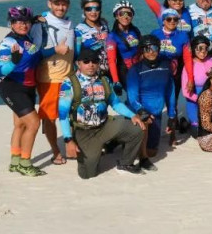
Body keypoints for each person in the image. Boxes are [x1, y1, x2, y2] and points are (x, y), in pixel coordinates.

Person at [58, 49, 147, 178]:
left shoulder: (104, 80)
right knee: (87, 174)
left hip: (104, 125)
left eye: (94, 61)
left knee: (137, 128)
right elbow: (63, 114)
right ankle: (96, 150)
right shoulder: (69, 83)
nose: (91, 65)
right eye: (86, 61)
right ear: (78, 64)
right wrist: (68, 140)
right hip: (84, 131)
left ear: (98, 63)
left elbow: (115, 103)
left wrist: (132, 115)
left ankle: (125, 163)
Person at [0, 6, 58, 176]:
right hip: (11, 87)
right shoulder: (8, 43)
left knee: (20, 124)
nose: (23, 25)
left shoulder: (27, 39)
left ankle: (15, 161)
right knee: (33, 123)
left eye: (26, 22)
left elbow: (39, 54)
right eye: (19, 22)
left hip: (28, 88)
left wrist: (56, 50)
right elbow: (0, 70)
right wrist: (13, 62)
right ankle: (25, 163)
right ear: (11, 23)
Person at [34, 0, 75, 165]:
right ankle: (56, 151)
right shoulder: (40, 25)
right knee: (50, 117)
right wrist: (55, 50)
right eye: (57, 3)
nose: (60, 7)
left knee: (70, 114)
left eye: (63, 4)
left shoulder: (70, 24)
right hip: (49, 78)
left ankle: (72, 144)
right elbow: (34, 54)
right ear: (49, 4)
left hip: (69, 77)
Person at [126, 36, 176, 171]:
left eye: (154, 48)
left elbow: (170, 91)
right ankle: (140, 156)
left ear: (159, 49)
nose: (151, 52)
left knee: (152, 152)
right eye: (146, 49)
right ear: (141, 51)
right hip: (139, 111)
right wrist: (143, 112)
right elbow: (132, 97)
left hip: (157, 113)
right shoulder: (135, 70)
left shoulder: (165, 66)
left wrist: (171, 115)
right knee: (144, 131)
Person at [150, 8, 194, 109]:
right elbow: (146, 54)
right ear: (163, 21)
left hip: (175, 73)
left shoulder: (183, 36)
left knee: (173, 100)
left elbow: (187, 59)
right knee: (156, 101)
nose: (172, 21)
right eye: (169, 19)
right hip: (157, 72)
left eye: (175, 19)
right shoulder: (155, 33)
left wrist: (190, 78)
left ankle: (172, 122)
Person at [181, 35, 212, 132]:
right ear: (193, 49)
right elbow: (186, 92)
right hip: (194, 100)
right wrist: (200, 99)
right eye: (199, 48)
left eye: (206, 48)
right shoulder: (189, 66)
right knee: (198, 132)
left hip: (210, 99)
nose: (203, 51)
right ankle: (186, 123)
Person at [105, 0, 142, 92]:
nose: (126, 17)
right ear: (116, 16)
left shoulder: (135, 30)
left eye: (129, 14)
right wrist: (116, 81)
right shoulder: (112, 36)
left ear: (132, 16)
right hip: (125, 71)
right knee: (133, 96)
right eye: (122, 13)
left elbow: (142, 50)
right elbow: (111, 60)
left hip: (139, 68)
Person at [74, 0, 110, 75]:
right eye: (89, 9)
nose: (93, 12)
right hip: (91, 74)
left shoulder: (104, 25)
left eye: (97, 8)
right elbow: (76, 55)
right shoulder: (79, 30)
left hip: (108, 72)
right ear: (83, 10)